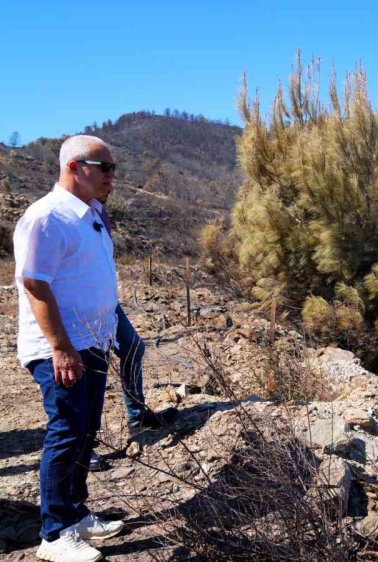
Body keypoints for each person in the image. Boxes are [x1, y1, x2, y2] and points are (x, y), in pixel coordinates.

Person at [15, 135, 125, 562]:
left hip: (94, 342)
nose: (113, 176)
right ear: (76, 167)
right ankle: (54, 532)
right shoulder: (46, 217)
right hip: (60, 347)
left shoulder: (90, 214)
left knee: (85, 430)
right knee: (65, 432)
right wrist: (61, 347)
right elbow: (35, 284)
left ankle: (76, 513)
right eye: (106, 167)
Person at [88, 195, 177, 473]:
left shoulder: (99, 213)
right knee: (89, 364)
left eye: (112, 170)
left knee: (132, 346)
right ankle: (82, 445)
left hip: (106, 300)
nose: (110, 178)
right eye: (103, 169)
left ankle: (137, 416)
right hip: (82, 303)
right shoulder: (67, 214)